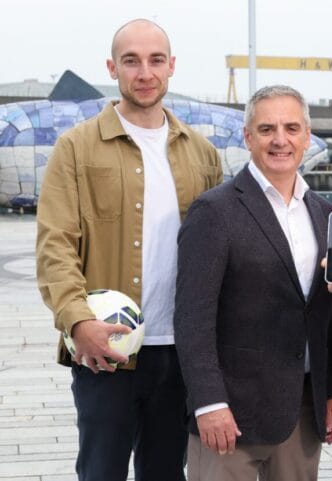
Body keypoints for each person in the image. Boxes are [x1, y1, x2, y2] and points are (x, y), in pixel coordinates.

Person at [35, 19, 222, 481]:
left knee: (166, 473)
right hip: (104, 348)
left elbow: (221, 251)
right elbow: (56, 244)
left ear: (171, 66)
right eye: (131, 61)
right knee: (101, 471)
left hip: (179, 353)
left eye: (156, 60)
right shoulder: (75, 148)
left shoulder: (202, 154)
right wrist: (78, 321)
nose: (145, 73)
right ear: (111, 68)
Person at [174, 85, 332, 481]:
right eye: (267, 129)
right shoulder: (214, 211)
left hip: (302, 411)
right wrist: (208, 402)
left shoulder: (325, 214)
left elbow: (331, 312)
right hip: (231, 415)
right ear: (248, 137)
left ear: (307, 136)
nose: (280, 140)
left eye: (291, 128)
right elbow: (192, 319)